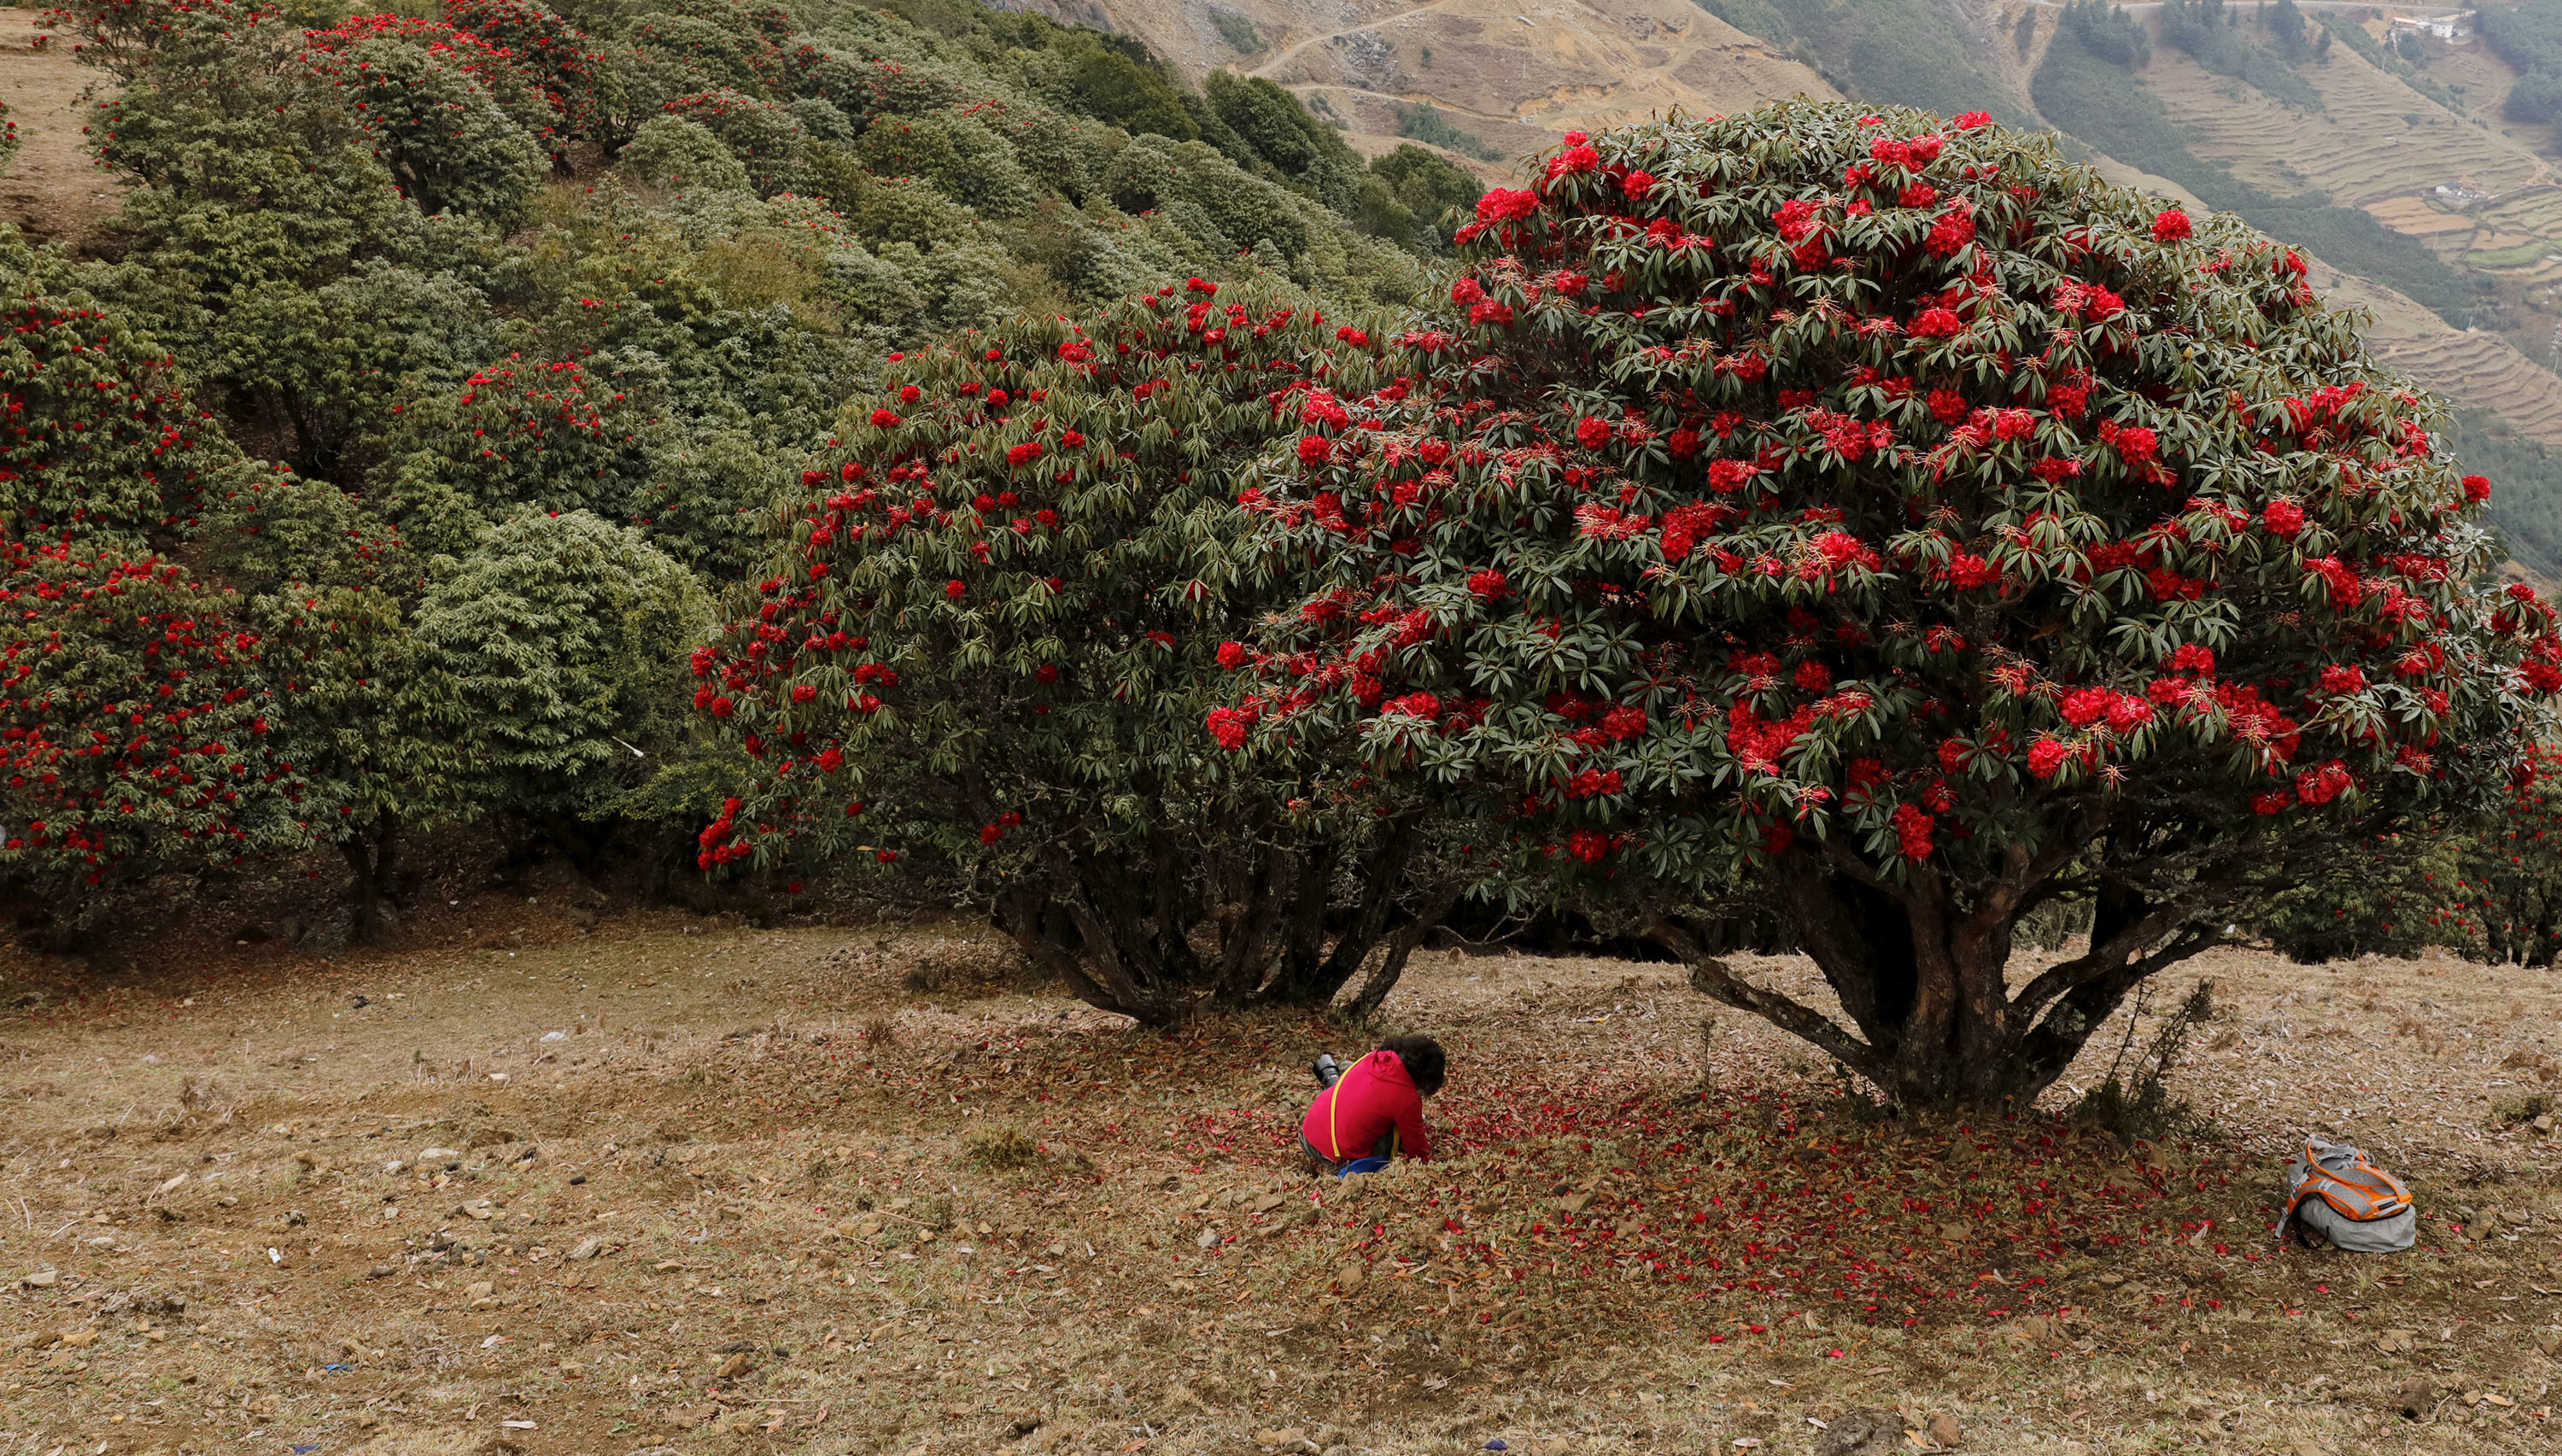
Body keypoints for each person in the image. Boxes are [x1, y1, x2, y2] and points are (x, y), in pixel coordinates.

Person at [1300, 1034, 1445, 1175]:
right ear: (1426, 1078)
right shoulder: (1407, 1097)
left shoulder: (1374, 1057)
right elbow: (1418, 1152)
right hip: (1335, 1159)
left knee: (1348, 1069)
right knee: (1394, 1132)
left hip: (1307, 1136)